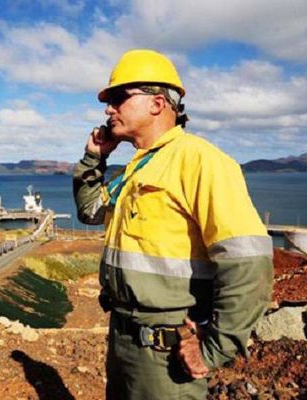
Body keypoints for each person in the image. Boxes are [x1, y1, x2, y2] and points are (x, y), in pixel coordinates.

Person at [73, 49, 273, 399]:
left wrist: (214, 349)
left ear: (157, 103)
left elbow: (249, 260)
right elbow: (90, 210)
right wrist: (94, 158)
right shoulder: (137, 169)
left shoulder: (200, 160)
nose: (108, 110)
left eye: (118, 98)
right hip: (122, 340)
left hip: (166, 355)